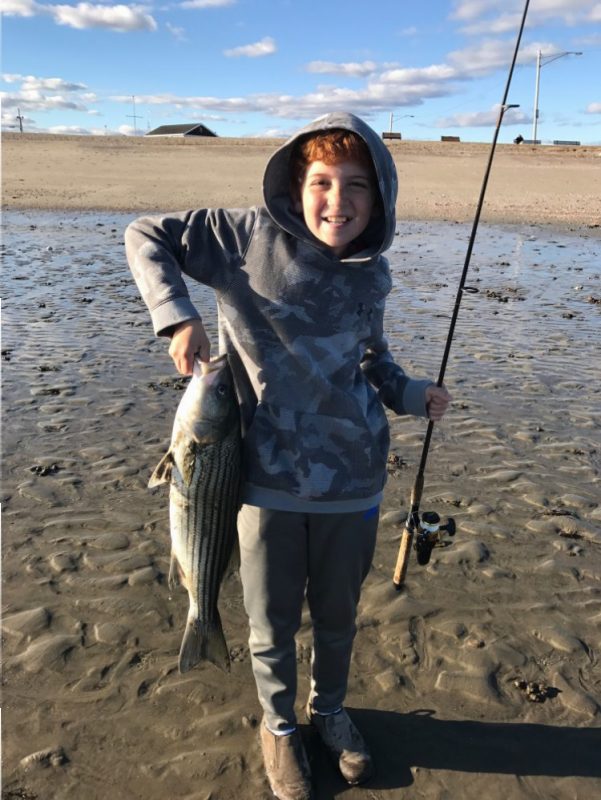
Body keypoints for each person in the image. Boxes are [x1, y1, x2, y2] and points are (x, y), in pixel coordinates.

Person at [125, 111, 450, 800]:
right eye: (323, 181)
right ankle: (277, 727)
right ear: (295, 184)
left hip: (354, 481)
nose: (339, 200)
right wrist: (177, 315)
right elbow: (145, 234)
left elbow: (372, 361)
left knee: (337, 615)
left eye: (358, 185)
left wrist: (412, 391)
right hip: (261, 478)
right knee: (270, 619)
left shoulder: (372, 274)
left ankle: (328, 712)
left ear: (381, 194)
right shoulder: (239, 238)